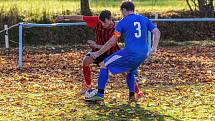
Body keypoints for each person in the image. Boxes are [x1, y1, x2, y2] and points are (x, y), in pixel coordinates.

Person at [55, 10, 143, 97]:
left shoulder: (117, 27)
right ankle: (88, 86)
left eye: (104, 23)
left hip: (112, 51)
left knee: (125, 71)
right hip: (98, 51)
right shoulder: (97, 21)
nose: (103, 25)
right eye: (101, 23)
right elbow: (81, 17)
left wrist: (96, 45)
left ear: (110, 19)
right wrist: (64, 17)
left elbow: (110, 45)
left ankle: (137, 91)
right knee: (86, 61)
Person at [87, 1, 160, 102]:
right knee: (130, 71)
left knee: (103, 64)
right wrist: (154, 48)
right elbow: (157, 32)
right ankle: (132, 96)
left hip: (129, 52)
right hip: (143, 53)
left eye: (121, 11)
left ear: (124, 9)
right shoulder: (144, 19)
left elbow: (113, 41)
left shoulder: (122, 22)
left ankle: (100, 95)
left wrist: (97, 53)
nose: (122, 13)